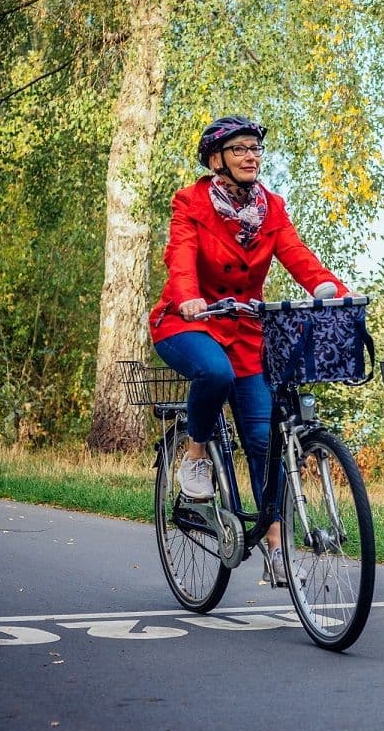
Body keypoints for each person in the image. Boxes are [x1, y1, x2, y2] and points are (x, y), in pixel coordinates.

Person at [149, 115, 348, 587]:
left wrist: (330, 289)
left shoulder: (270, 209)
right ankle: (196, 453)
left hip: (245, 333)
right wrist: (188, 295)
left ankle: (277, 551)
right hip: (187, 322)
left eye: (254, 149)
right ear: (216, 159)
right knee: (213, 375)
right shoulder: (191, 202)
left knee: (264, 441)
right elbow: (179, 256)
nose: (250, 156)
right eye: (239, 149)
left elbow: (298, 255)